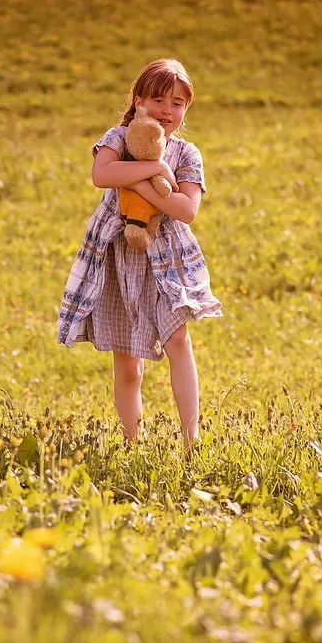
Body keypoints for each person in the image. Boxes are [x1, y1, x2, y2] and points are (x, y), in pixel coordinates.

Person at [57, 57, 222, 448]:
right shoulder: (118, 137)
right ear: (138, 100)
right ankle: (132, 444)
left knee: (178, 340)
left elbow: (187, 209)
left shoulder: (185, 154)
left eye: (178, 103)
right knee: (128, 364)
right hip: (116, 256)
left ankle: (191, 441)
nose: (167, 110)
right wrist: (157, 176)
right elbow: (102, 175)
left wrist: (148, 184)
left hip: (165, 259)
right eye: (159, 99)